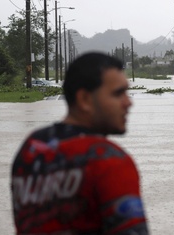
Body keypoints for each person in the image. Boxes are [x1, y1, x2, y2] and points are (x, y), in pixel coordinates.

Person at [11, 52, 149, 235]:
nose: (128, 103)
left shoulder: (31, 149)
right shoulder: (109, 161)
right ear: (85, 99)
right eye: (118, 94)